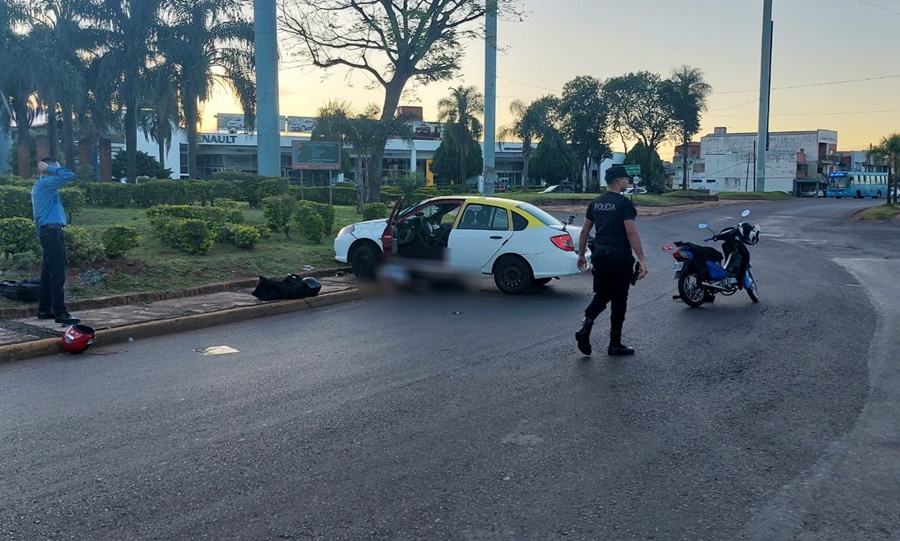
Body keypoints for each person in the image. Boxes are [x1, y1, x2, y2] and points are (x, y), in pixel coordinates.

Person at [575, 165, 648, 356]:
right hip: (619, 257)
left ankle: (585, 327)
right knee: (619, 300)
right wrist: (642, 259)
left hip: (600, 256)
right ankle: (615, 344)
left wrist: (581, 255)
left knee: (601, 295)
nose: (627, 182)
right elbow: (631, 233)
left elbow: (584, 231)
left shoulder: (595, 203)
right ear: (618, 181)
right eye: (625, 179)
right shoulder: (624, 204)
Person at [31, 157, 80, 324]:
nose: (58, 173)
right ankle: (60, 312)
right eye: (55, 169)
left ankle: (45, 310)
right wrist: (50, 169)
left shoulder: (42, 185)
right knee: (57, 273)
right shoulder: (46, 184)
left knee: (47, 274)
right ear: (48, 170)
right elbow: (69, 174)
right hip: (51, 232)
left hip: (47, 232)